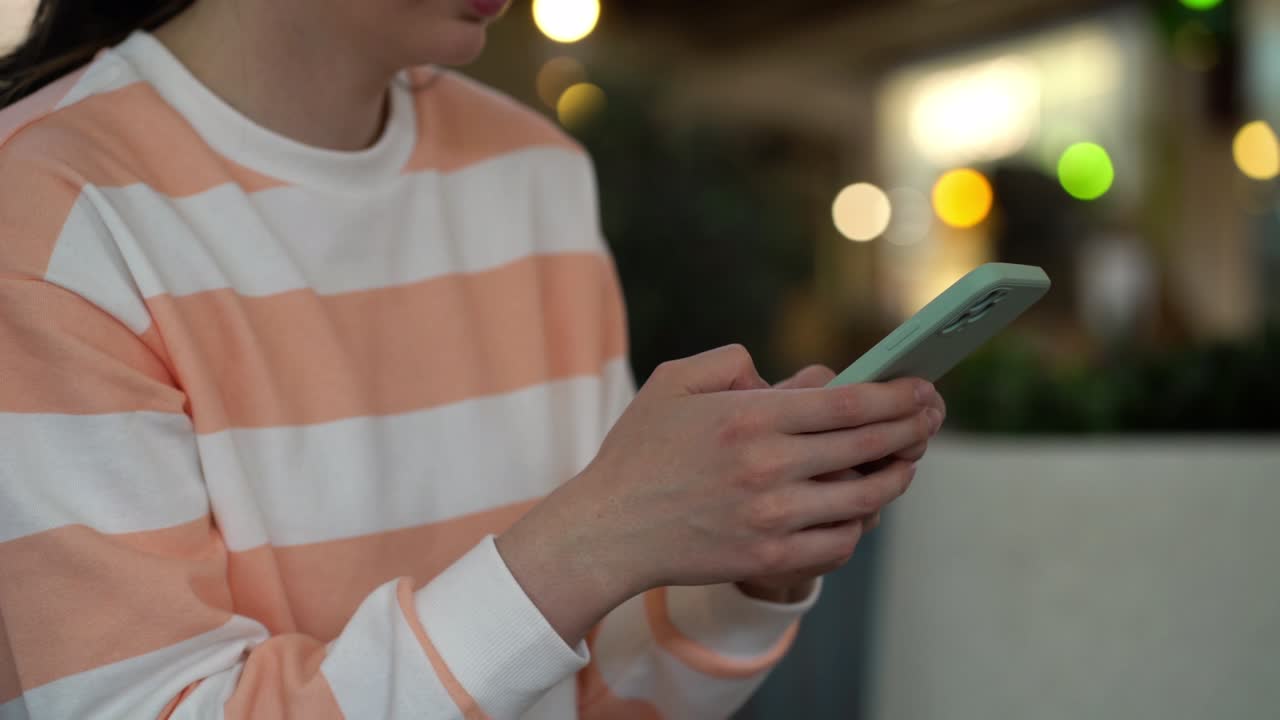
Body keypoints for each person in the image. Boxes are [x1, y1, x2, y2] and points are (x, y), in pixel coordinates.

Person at [0, 1, 946, 718]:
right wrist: (592, 538)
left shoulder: (533, 173)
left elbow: (600, 697)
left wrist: (754, 566)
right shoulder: (47, 208)